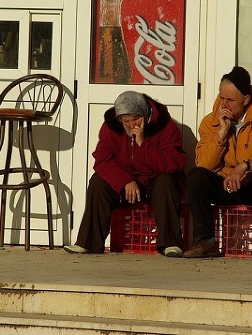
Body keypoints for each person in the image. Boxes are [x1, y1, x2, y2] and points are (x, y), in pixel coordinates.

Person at [183, 66, 252, 261]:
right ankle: (205, 240)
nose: (224, 104)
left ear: (246, 100)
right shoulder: (211, 122)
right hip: (226, 184)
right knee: (195, 176)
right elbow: (204, 165)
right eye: (221, 98)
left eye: (231, 100)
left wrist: (246, 165)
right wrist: (222, 134)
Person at [64, 91, 187, 257]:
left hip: (154, 180)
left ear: (145, 113)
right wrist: (125, 181)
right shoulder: (110, 127)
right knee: (98, 182)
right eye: (126, 121)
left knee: (166, 181)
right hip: (128, 182)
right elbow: (102, 159)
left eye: (136, 119)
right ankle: (89, 243)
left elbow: (174, 163)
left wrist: (142, 144)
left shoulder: (166, 126)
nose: (131, 125)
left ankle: (170, 243)